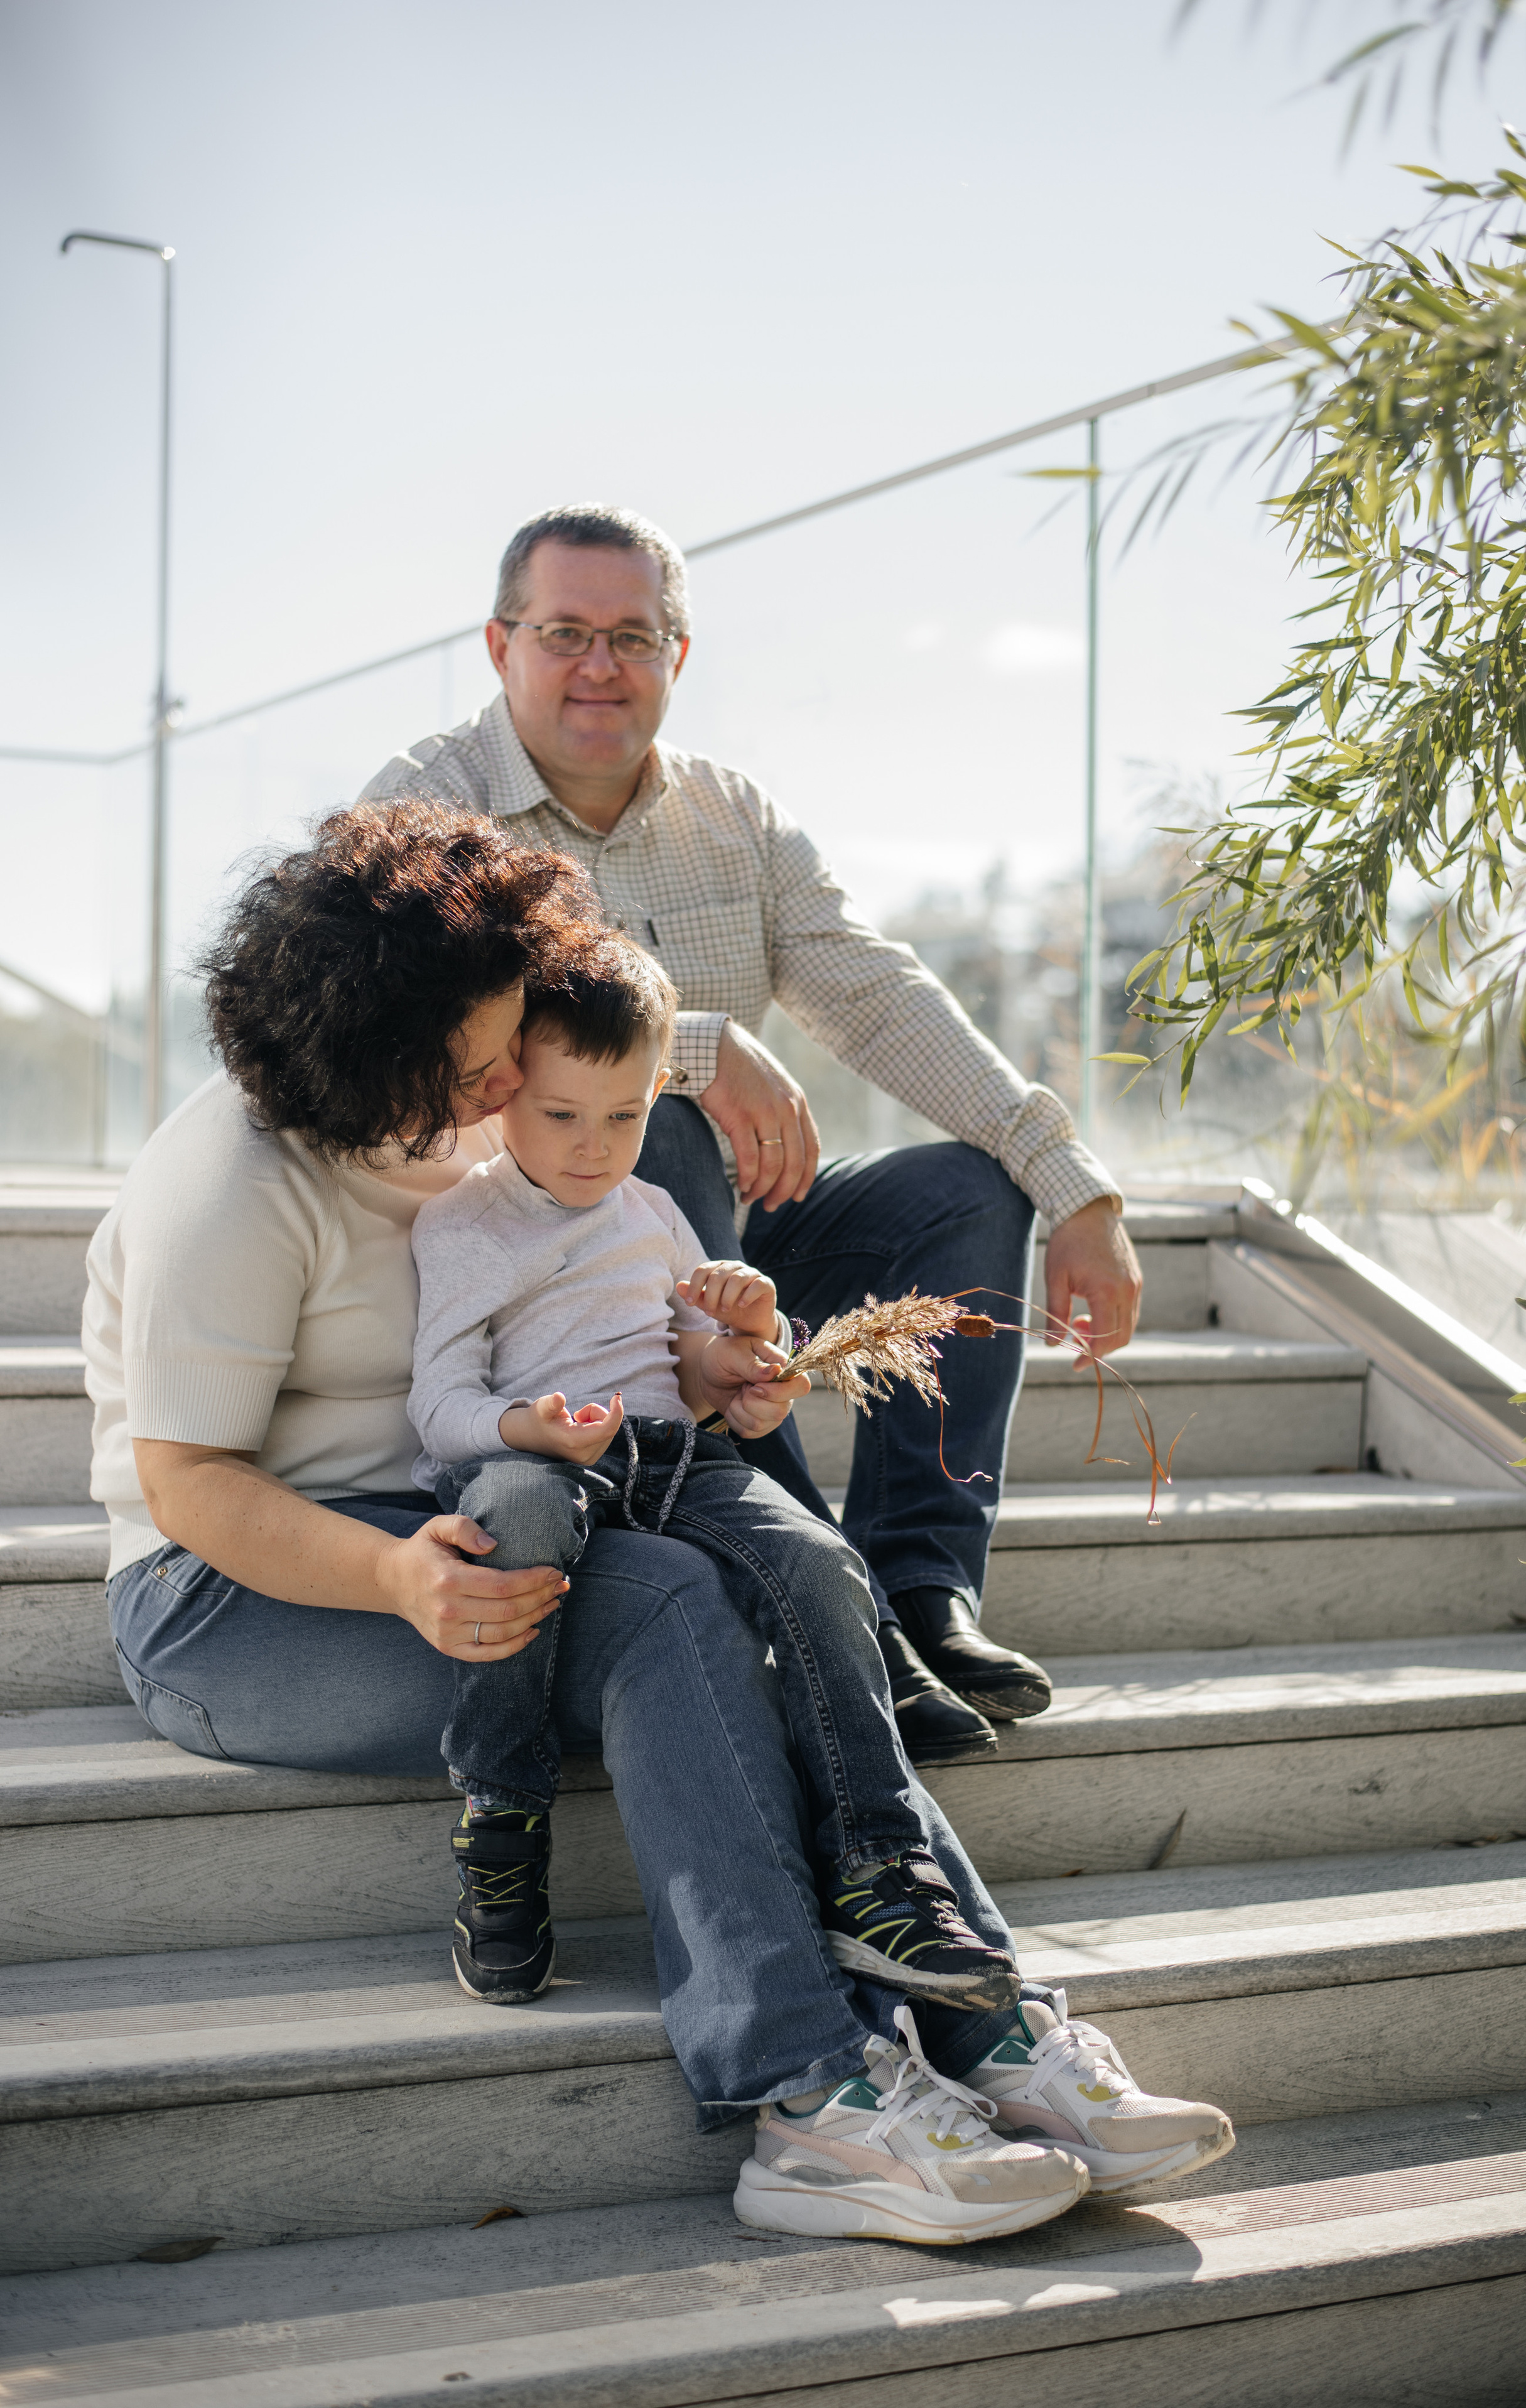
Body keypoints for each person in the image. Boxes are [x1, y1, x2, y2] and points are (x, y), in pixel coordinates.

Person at [83, 795, 1232, 2243]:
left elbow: (589, 1192)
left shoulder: (487, 1131)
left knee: (776, 1591)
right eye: (486, 1047)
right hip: (231, 1589)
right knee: (674, 1617)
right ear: (388, 1047)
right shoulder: (235, 1184)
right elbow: (190, 1485)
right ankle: (812, 2100)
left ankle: (988, 2026)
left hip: (482, 1505)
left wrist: (706, 1365)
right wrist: (394, 1578)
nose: (515, 1068)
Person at [360, 503, 1145, 1770]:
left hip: (713, 1237)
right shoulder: (422, 811)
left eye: (632, 635)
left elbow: (879, 998)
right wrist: (697, 1049)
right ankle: (822, 1597)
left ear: (678, 655)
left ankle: (922, 1597)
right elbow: (434, 1029)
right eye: (564, 632)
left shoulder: (734, 819)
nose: (598, 665)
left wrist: (1073, 1186)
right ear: (500, 644)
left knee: (963, 1191)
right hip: (527, 1250)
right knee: (655, 1131)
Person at [409, 926, 1016, 2014]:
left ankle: (880, 1861)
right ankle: (501, 1824)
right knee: (511, 1518)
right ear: (505, 1096)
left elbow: (699, 1374)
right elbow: (438, 1406)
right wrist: (527, 1431)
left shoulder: (656, 1212)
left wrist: (748, 1363)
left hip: (672, 1457)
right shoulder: (464, 1224)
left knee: (822, 1561)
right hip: (537, 1465)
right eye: (561, 1115)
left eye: (628, 1115)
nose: (596, 1146)